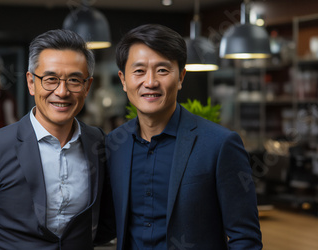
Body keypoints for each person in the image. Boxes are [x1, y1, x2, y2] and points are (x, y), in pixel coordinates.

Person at [105, 24, 263, 249]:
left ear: (180, 77)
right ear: (123, 80)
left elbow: (245, 238)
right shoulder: (114, 144)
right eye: (139, 71)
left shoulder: (219, 144)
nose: (150, 82)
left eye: (162, 70)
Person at [0, 29, 112, 249]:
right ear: (30, 82)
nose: (62, 91)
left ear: (87, 87)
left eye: (74, 80)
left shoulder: (99, 143)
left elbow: (104, 225)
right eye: (50, 79)